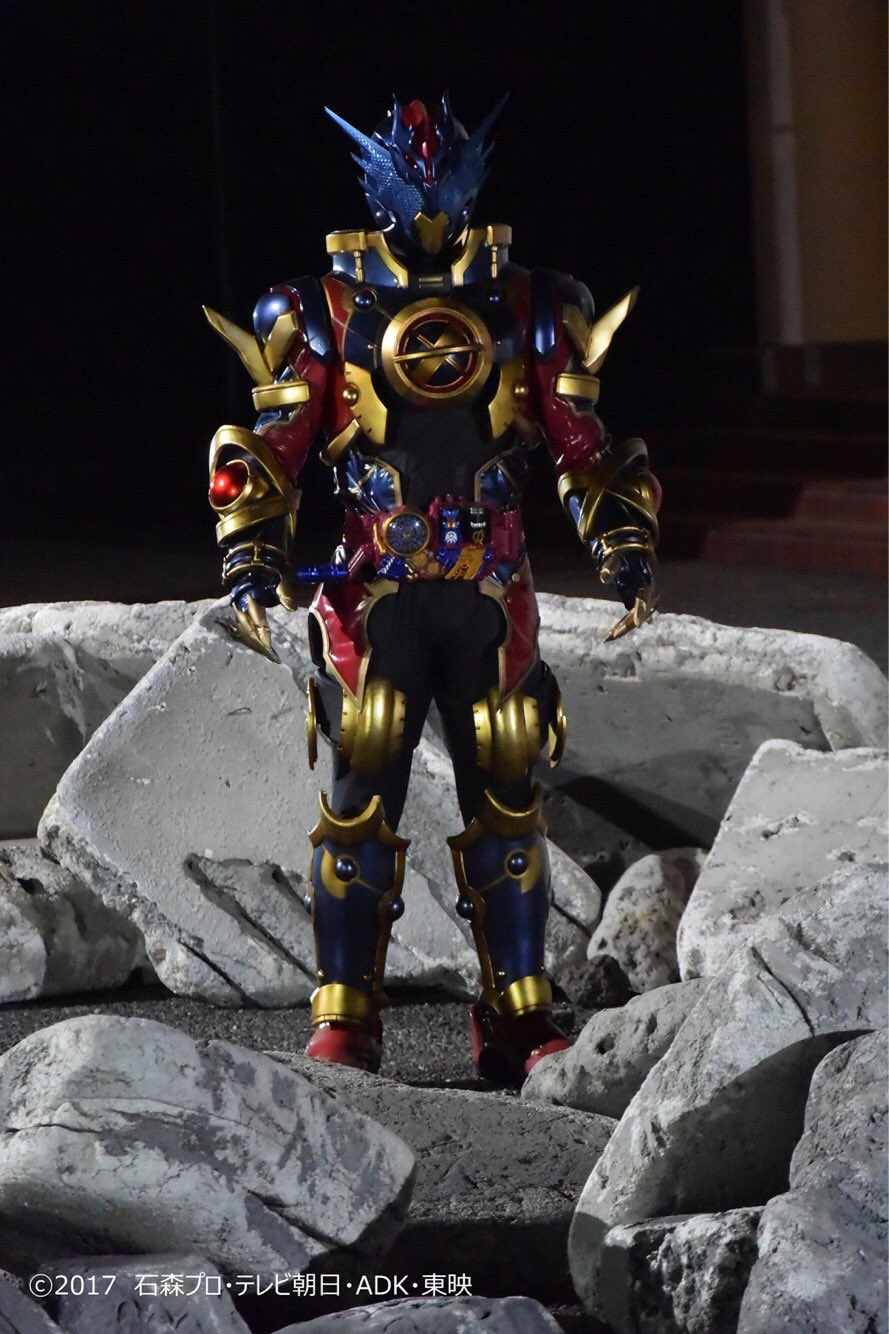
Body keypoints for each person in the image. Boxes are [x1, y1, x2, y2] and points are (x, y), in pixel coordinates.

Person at [204, 95, 660, 1083]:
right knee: (359, 792)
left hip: (489, 590)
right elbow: (275, 448)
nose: (427, 205)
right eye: (409, 183)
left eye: (441, 182)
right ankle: (346, 1013)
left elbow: (580, 445)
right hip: (372, 591)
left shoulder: (534, 305)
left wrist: (620, 535)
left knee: (507, 796)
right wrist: (250, 549)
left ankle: (517, 1013)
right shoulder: (319, 310)